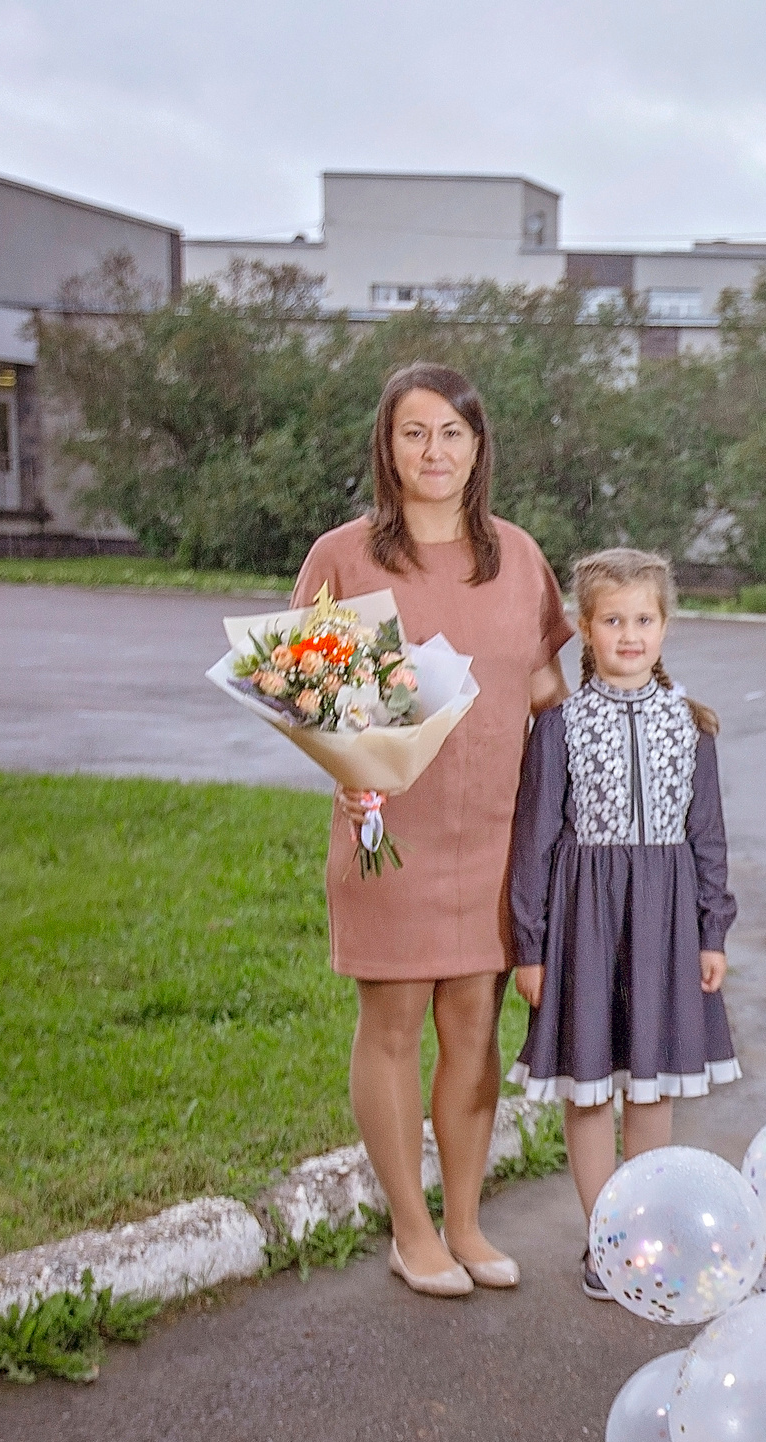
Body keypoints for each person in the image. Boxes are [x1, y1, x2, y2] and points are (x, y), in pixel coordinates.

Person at [293, 363, 574, 1299]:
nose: (434, 451)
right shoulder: (343, 558)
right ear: (388, 446)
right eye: (414, 432)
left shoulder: (517, 556)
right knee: (394, 1022)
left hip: (493, 836)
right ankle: (411, 1231)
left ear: (479, 446)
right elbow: (304, 696)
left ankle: (465, 1222)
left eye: (452, 432)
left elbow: (547, 693)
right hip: (392, 835)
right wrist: (347, 772)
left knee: (474, 1025)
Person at [506, 548, 741, 1301]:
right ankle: (603, 1240)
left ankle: (643, 1236)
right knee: (587, 1088)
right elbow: (535, 841)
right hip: (585, 923)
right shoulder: (560, 727)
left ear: (665, 626)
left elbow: (708, 836)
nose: (630, 634)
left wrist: (711, 930)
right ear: (585, 628)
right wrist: (531, 945)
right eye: (613, 620)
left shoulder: (692, 724)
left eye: (644, 619)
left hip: (664, 926)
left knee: (649, 1084)